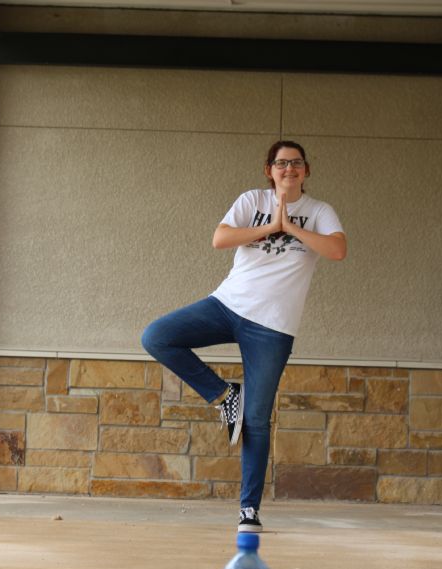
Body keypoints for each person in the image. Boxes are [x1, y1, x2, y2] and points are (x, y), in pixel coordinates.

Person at [141, 140, 346, 533]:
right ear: (269, 170)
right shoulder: (252, 200)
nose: (289, 169)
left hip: (273, 326)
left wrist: (292, 227)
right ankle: (225, 395)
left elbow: (337, 250)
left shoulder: (319, 211)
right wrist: (272, 225)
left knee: (256, 420)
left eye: (296, 163)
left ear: (306, 170)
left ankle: (249, 509)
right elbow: (220, 238)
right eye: (281, 163)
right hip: (227, 305)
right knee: (157, 336)